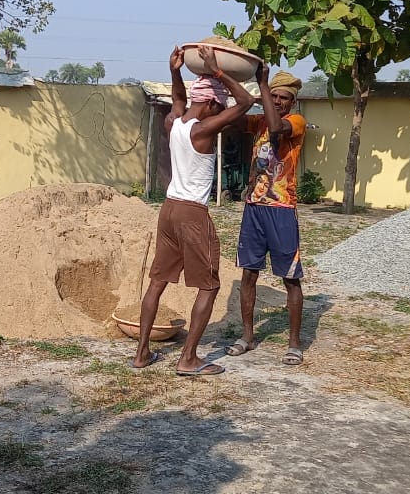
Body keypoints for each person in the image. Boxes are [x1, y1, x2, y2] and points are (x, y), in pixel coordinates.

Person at [130, 44, 271, 376]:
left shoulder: (174, 122)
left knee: (157, 282)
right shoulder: (205, 130)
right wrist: (219, 71)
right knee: (209, 285)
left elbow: (178, 98)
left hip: (168, 210)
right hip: (193, 213)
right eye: (218, 106)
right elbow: (247, 103)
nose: (220, 111)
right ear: (211, 103)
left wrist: (175, 70)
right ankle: (188, 359)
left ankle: (141, 353)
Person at [226, 71, 310, 366]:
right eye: (273, 96)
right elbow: (234, 115)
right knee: (249, 274)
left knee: (290, 278)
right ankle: (247, 337)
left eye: (283, 97)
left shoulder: (295, 122)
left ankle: (295, 343)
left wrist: (262, 85)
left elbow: (276, 129)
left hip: (282, 210)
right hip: (254, 208)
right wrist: (223, 77)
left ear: (292, 101)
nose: (277, 101)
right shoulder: (257, 121)